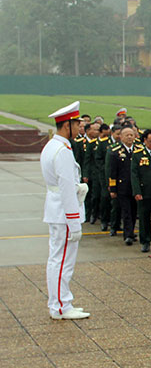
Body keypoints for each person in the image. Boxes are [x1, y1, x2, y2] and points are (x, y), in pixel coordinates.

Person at [41, 102, 89, 320]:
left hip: (57, 208)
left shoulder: (54, 145)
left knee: (58, 260)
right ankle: (60, 306)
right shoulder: (62, 150)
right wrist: (74, 222)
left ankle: (62, 301)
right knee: (62, 262)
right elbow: (67, 188)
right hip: (63, 211)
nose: (80, 127)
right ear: (67, 125)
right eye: (77, 123)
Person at [108, 127, 138, 245]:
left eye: (131, 135)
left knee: (134, 211)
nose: (129, 137)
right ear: (121, 137)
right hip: (122, 187)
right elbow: (112, 172)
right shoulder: (115, 152)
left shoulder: (138, 150)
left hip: (135, 187)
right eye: (127, 135)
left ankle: (131, 231)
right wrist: (113, 188)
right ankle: (128, 235)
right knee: (126, 211)